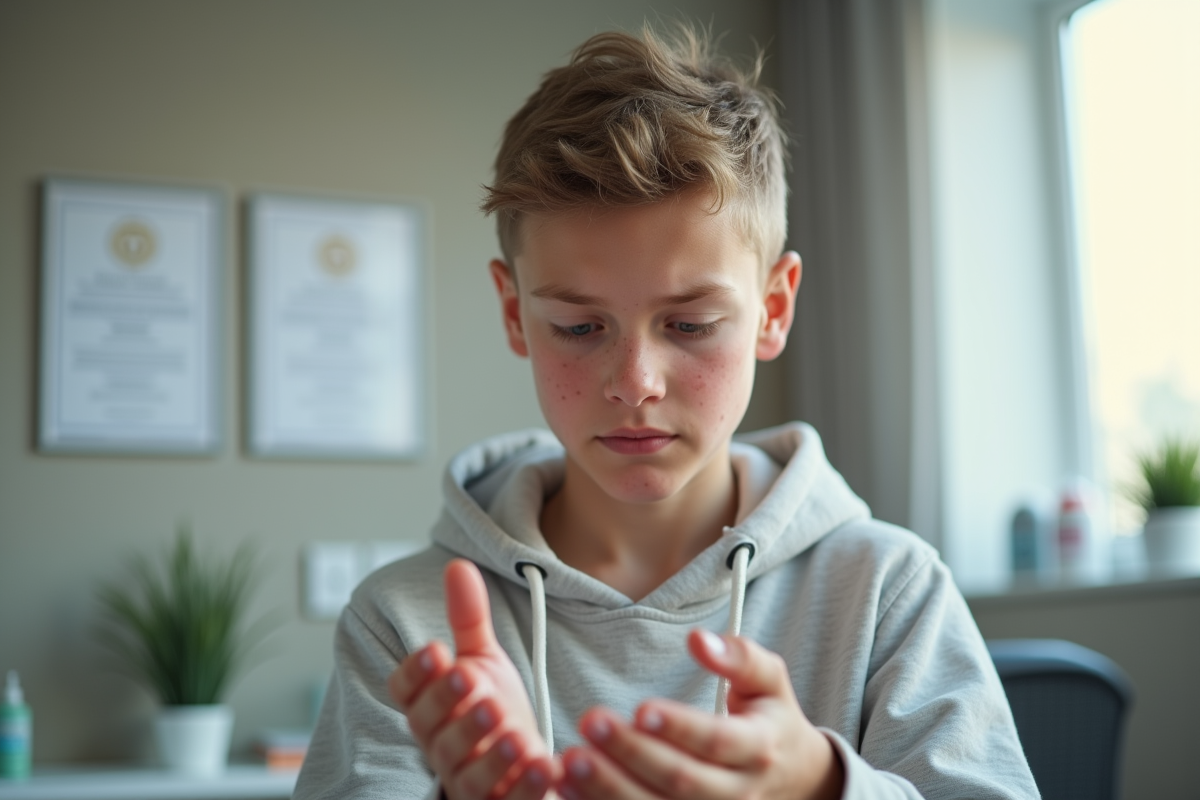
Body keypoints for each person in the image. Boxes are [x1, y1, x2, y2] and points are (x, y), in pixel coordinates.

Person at [294, 25, 1038, 800]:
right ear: (515, 315)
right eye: (580, 328)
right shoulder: (408, 628)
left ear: (772, 309)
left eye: (689, 325)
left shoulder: (887, 590)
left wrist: (821, 787)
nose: (635, 382)